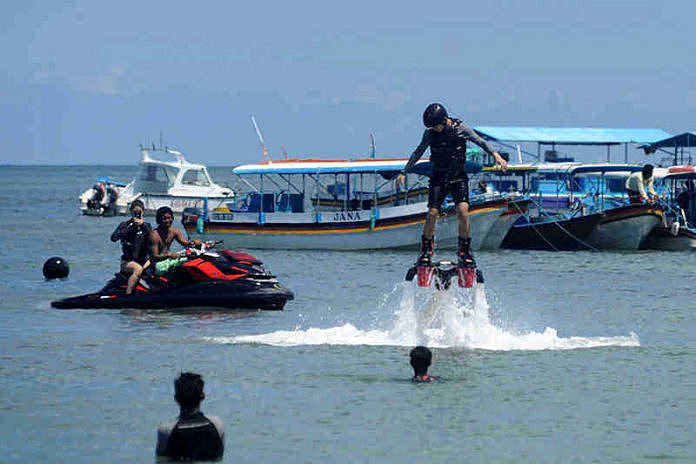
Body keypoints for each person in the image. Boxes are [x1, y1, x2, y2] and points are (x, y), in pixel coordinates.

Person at [395, 103, 508, 268]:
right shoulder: (429, 133)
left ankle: (465, 251)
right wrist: (404, 172)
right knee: (432, 213)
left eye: (435, 126)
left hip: (458, 177)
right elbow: (418, 151)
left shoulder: (460, 128)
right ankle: (426, 250)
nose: (433, 129)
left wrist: (496, 155)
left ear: (444, 119)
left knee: (463, 212)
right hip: (438, 177)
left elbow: (480, 141)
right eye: (431, 127)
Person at [156, 372, 224, 461]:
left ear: (176, 398)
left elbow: (161, 460)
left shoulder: (166, 430)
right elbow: (219, 457)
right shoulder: (217, 424)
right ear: (203, 396)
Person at [110, 200, 152, 294]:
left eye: (139, 212)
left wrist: (143, 226)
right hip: (128, 262)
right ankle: (128, 294)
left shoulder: (147, 226)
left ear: (143, 212)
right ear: (131, 212)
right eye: (134, 212)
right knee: (138, 269)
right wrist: (130, 228)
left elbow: (152, 239)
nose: (137, 214)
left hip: (144, 261)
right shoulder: (125, 225)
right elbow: (113, 238)